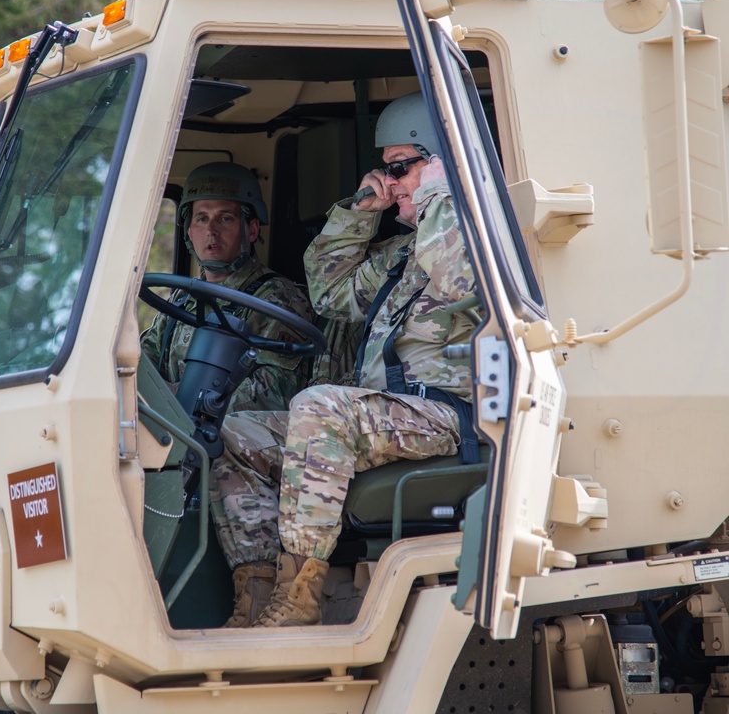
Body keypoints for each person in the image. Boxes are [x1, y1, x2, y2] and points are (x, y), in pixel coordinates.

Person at [209, 92, 479, 628]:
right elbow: (332, 295)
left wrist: (438, 195)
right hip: (391, 413)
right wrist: (359, 216)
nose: (392, 180)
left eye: (402, 167)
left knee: (320, 406)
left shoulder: (476, 235)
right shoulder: (401, 252)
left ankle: (299, 597)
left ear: (441, 166)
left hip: (447, 413)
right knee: (235, 434)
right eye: (388, 168)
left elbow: (461, 281)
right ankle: (257, 594)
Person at [140, 161, 316, 414]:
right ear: (189, 231)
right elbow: (145, 362)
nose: (211, 231)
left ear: (252, 230)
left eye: (225, 218)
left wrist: (186, 401)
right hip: (171, 428)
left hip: (228, 436)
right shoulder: (182, 298)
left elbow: (277, 392)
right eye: (202, 218)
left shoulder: (277, 300)